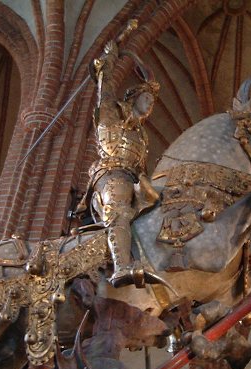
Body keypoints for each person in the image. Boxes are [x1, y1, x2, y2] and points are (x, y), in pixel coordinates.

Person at [78, 26, 160, 288]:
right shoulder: (112, 114)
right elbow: (105, 87)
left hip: (133, 178)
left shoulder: (142, 137)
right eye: (146, 97)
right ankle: (121, 266)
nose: (150, 104)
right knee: (120, 207)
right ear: (134, 97)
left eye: (152, 102)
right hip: (110, 175)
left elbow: (142, 169)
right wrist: (110, 58)